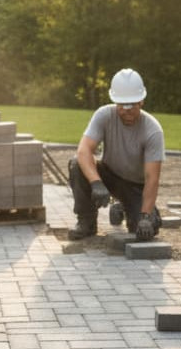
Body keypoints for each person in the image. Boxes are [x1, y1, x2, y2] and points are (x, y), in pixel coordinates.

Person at [68, 68, 164, 240]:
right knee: (77, 164)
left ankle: (122, 207)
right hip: (109, 175)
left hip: (135, 185)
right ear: (115, 102)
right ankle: (86, 223)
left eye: (132, 105)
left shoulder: (153, 130)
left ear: (141, 101)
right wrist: (96, 183)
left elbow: (152, 178)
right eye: (122, 105)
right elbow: (84, 150)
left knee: (147, 229)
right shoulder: (104, 115)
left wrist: (146, 216)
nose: (127, 110)